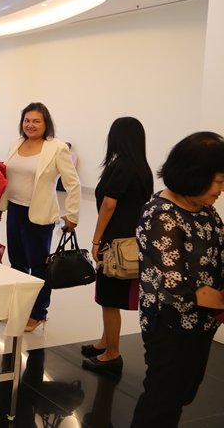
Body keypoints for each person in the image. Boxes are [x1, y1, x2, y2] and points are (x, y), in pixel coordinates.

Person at [130, 132, 224, 428]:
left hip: (204, 320)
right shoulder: (161, 215)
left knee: (183, 392)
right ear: (194, 176)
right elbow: (176, 285)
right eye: (219, 181)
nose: (221, 189)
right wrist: (218, 299)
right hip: (169, 322)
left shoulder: (205, 210)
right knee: (162, 398)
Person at [0, 102, 80, 332]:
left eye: (36, 121)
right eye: (27, 120)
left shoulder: (56, 148)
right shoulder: (17, 144)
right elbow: (7, 177)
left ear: (46, 124)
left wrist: (72, 214)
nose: (30, 125)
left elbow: (73, 183)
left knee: (39, 266)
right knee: (17, 263)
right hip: (15, 210)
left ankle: (38, 312)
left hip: (39, 214)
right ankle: (20, 309)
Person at [81, 117, 153, 375]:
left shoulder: (121, 166)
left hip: (115, 241)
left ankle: (112, 353)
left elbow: (109, 205)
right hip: (131, 238)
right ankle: (105, 341)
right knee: (109, 294)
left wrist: (96, 239)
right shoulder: (142, 168)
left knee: (109, 297)